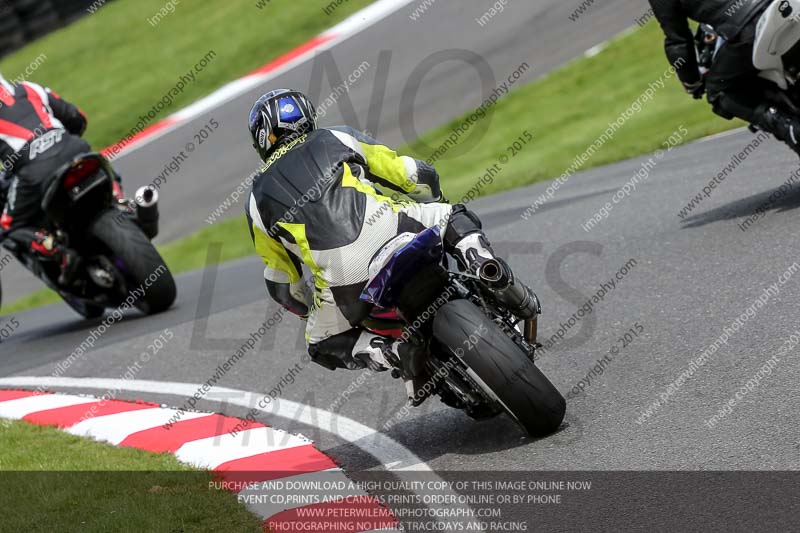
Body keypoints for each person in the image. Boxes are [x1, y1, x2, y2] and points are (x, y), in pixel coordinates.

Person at [245, 89, 537, 404]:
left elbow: (282, 286)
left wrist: (310, 312)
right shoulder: (336, 137)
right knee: (452, 215)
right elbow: (413, 175)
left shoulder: (255, 202)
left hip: (344, 280)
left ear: (263, 139)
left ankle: (391, 352)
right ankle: (486, 268)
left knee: (319, 343)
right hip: (395, 228)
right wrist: (434, 200)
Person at [649, 0, 800, 156]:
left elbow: (677, 42)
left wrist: (691, 80)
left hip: (749, 26)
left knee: (718, 90)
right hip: (785, 6)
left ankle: (789, 126)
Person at [0, 73, 90, 285]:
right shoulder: (28, 88)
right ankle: (121, 202)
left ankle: (57, 251)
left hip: (34, 173)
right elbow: (78, 118)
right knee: (90, 159)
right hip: (72, 147)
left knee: (7, 227)